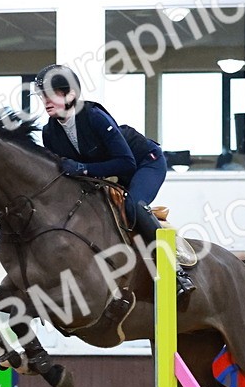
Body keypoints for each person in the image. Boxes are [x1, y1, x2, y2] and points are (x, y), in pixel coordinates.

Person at [33, 64, 195, 300]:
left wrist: (82, 168)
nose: (45, 100)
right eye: (42, 95)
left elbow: (126, 163)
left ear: (71, 95)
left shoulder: (94, 117)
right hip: (107, 175)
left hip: (144, 162)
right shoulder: (50, 133)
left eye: (51, 93)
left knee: (133, 206)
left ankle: (176, 272)